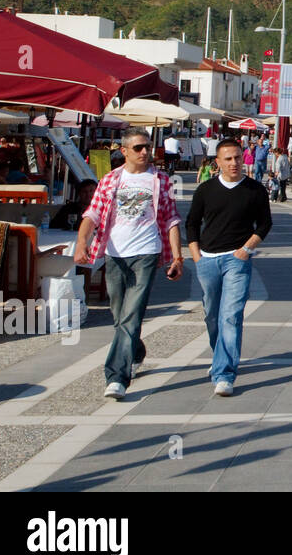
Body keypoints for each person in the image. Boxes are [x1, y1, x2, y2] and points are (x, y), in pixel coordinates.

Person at [74, 130, 183, 400]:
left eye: (147, 147)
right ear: (124, 151)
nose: (145, 152)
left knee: (131, 315)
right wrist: (81, 243)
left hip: (146, 253)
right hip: (114, 254)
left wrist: (178, 257)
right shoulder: (111, 179)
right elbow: (93, 214)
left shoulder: (160, 180)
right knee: (119, 313)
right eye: (138, 148)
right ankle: (136, 351)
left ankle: (116, 377)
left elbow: (171, 219)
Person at [186, 140, 273, 397]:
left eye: (237, 158)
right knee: (212, 314)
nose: (234, 163)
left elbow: (265, 224)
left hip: (237, 260)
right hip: (207, 259)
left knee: (231, 315)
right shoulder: (205, 190)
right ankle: (218, 356)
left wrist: (247, 249)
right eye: (228, 159)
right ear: (218, 162)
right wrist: (195, 255)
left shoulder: (255, 190)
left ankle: (224, 374)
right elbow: (192, 223)